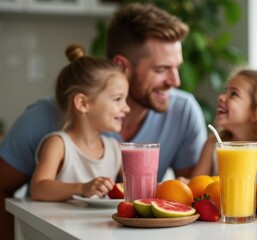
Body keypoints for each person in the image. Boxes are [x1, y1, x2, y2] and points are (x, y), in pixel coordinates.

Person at [0, 3, 206, 239]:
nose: (176, 81)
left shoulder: (183, 111)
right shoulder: (45, 117)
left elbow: (188, 197)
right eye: (162, 69)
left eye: (177, 67)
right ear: (122, 66)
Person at [31, 44, 130, 201]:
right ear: (83, 103)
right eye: (118, 99)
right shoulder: (58, 144)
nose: (127, 108)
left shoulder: (116, 149)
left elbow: (135, 191)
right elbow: (38, 188)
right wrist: (82, 188)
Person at [188, 68, 257, 182]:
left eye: (234, 94)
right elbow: (195, 187)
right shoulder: (212, 145)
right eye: (225, 91)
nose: (221, 97)